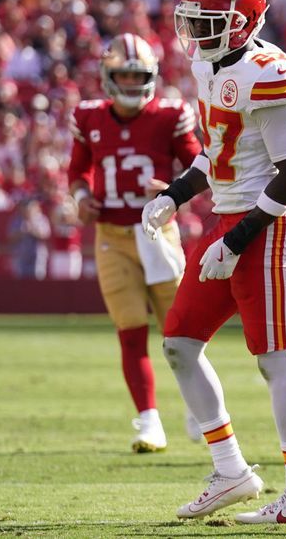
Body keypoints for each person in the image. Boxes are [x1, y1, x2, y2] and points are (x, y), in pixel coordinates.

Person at [140, 0, 286, 523]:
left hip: (264, 226)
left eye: (207, 20)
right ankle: (230, 471)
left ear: (242, 20)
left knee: (276, 359)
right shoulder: (209, 65)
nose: (195, 32)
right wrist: (176, 194)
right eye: (190, 19)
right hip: (227, 219)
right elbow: (217, 154)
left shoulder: (270, 72)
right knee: (179, 343)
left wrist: (237, 240)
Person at [67, 33, 203, 452]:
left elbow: (199, 165)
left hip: (157, 232)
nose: (130, 84)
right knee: (130, 331)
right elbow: (77, 172)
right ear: (108, 77)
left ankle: (199, 408)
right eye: (122, 76)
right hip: (111, 235)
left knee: (182, 333)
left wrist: (172, 190)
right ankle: (149, 421)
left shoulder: (170, 114)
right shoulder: (89, 116)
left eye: (137, 76)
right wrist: (81, 198)